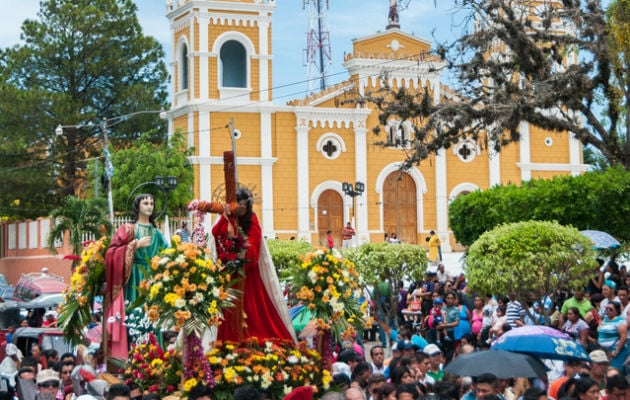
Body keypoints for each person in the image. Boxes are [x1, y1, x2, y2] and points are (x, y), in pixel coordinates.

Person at [211, 188, 295, 342]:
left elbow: (253, 246)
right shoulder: (226, 218)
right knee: (228, 312)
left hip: (248, 276)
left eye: (242, 206)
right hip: (228, 276)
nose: (238, 209)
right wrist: (225, 218)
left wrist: (240, 252)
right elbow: (216, 233)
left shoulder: (252, 220)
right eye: (236, 205)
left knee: (253, 315)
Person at [105, 194, 169, 360]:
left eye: (152, 203)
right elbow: (111, 252)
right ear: (137, 206)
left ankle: (153, 356)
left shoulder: (157, 232)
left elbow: (168, 253)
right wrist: (134, 245)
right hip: (133, 276)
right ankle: (133, 355)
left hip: (151, 279)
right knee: (134, 313)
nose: (149, 206)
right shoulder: (128, 229)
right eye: (145, 203)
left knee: (152, 316)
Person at [597, 301, 628, 369]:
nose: (608, 310)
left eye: (611, 309)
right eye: (607, 308)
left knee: (614, 370)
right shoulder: (605, 319)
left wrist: (617, 351)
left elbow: (623, 337)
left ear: (617, 311)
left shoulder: (620, 321)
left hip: (614, 351)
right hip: (604, 351)